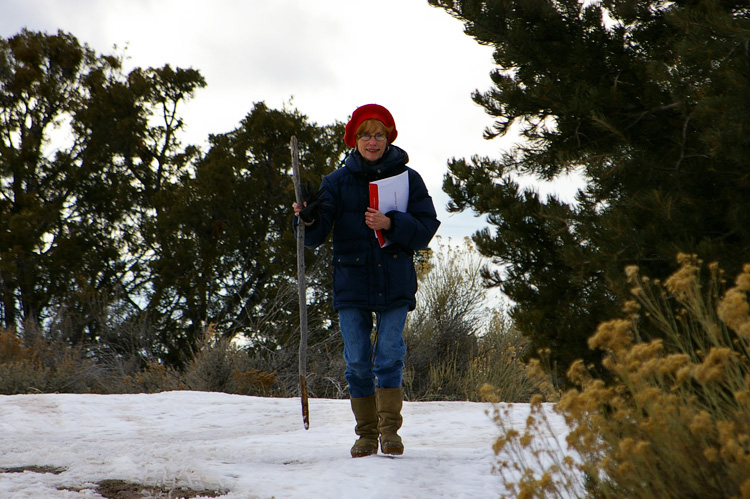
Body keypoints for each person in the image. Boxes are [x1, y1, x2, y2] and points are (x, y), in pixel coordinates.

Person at [293, 104, 440, 458]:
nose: (372, 142)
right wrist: (307, 220)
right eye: (365, 135)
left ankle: (390, 433)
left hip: (395, 283)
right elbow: (312, 238)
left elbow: (425, 231)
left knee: (389, 356)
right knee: (357, 361)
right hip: (352, 284)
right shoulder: (335, 183)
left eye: (379, 134)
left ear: (388, 137)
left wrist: (391, 224)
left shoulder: (409, 180)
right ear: (353, 139)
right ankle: (365, 435)